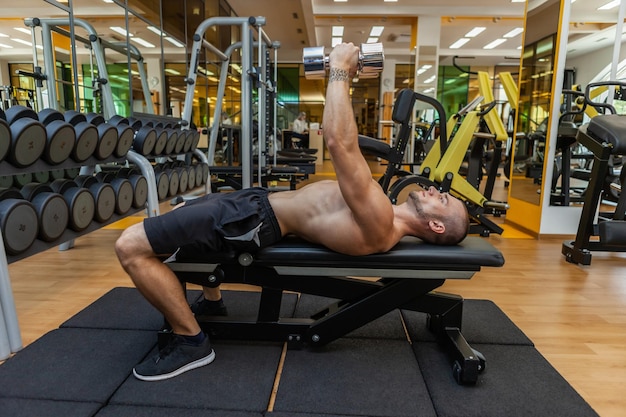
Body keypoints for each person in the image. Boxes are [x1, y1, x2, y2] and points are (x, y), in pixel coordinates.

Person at [115, 42, 470, 382]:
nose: (437, 190)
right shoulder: (383, 212)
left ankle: (190, 341)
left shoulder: (380, 219)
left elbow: (338, 141)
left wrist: (341, 71)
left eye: (443, 200)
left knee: (130, 245)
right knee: (175, 233)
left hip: (250, 220)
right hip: (252, 208)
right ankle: (212, 303)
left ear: (436, 225)